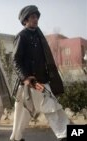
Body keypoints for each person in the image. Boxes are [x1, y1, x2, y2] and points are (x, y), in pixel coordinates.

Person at [10, 5, 69, 141]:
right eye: (32, 17)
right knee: (22, 114)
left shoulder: (38, 35)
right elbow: (15, 60)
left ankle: (64, 134)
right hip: (29, 83)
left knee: (53, 108)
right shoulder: (22, 36)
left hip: (41, 81)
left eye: (36, 16)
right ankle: (16, 138)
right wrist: (25, 78)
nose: (35, 19)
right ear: (25, 20)